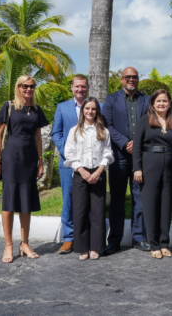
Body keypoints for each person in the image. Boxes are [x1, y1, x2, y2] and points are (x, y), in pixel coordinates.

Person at [0, 75, 48, 263]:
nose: (29, 89)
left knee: (26, 202)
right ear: (18, 87)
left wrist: (40, 161)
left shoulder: (37, 110)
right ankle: (8, 245)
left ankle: (24, 243)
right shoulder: (9, 106)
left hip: (30, 159)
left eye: (32, 86)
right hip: (12, 159)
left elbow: (38, 138)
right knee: (8, 202)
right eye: (25, 86)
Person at [102, 67, 150, 254]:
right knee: (117, 200)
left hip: (141, 158)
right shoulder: (111, 100)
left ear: (138, 79)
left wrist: (136, 144)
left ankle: (139, 238)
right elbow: (106, 125)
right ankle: (114, 241)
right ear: (121, 80)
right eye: (127, 77)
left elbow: (152, 123)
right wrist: (124, 143)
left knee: (140, 199)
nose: (131, 79)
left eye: (134, 77)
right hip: (119, 157)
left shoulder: (147, 100)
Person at [133, 89, 172, 259]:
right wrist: (137, 168)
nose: (162, 104)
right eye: (158, 101)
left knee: (166, 205)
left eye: (165, 101)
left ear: (169, 103)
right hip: (149, 165)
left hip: (169, 166)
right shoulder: (145, 120)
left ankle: (164, 243)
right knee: (150, 205)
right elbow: (137, 147)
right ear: (153, 103)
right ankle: (153, 244)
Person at [64, 98, 114, 261]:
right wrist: (81, 170)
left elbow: (108, 153)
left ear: (97, 111)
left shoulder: (103, 131)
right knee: (80, 211)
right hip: (80, 174)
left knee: (98, 211)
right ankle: (82, 247)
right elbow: (69, 154)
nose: (90, 112)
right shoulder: (74, 131)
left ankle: (96, 247)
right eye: (87, 108)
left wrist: (100, 169)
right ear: (82, 111)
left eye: (93, 109)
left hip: (98, 173)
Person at [51, 74, 90, 254]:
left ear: (88, 87)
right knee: (68, 199)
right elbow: (56, 133)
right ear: (72, 88)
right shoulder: (62, 107)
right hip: (68, 163)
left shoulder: (98, 107)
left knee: (88, 200)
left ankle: (86, 236)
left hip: (91, 162)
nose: (80, 89)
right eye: (77, 87)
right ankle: (69, 238)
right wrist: (68, 152)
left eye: (83, 86)